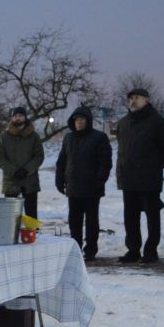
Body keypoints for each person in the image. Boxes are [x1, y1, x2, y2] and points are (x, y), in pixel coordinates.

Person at [115, 88, 164, 264]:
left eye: (137, 97)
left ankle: (151, 251)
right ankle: (133, 250)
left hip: (149, 178)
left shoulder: (157, 122)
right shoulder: (123, 123)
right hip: (128, 177)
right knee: (130, 217)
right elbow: (121, 150)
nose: (133, 101)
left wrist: (153, 167)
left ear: (146, 100)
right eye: (130, 98)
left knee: (152, 217)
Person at [55, 105, 112, 262]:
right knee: (74, 221)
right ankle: (76, 248)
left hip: (92, 187)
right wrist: (59, 178)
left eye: (82, 119)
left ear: (88, 121)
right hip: (73, 186)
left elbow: (105, 162)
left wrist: (100, 180)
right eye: (76, 120)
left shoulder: (99, 137)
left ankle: (91, 250)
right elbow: (62, 160)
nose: (79, 122)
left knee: (91, 221)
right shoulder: (69, 138)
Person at [0, 106, 44, 219]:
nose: (18, 118)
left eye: (20, 116)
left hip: (30, 181)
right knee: (11, 215)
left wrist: (27, 170)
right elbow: (0, 158)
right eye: (15, 116)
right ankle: (12, 231)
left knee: (31, 216)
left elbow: (39, 156)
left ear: (25, 117)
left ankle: (32, 231)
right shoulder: (4, 137)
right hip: (11, 181)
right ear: (12, 118)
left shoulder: (34, 136)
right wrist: (14, 171)